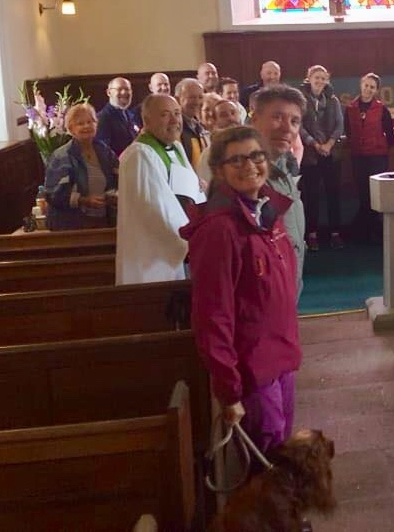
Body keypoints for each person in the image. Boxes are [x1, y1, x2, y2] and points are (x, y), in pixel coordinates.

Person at [182, 125, 302, 456]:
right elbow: (212, 316)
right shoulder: (220, 229)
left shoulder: (267, 213)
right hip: (251, 369)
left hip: (281, 357)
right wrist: (229, 390)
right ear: (219, 170)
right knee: (265, 464)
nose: (249, 165)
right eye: (236, 160)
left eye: (255, 155)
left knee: (280, 454)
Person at [115, 94, 195, 284]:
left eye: (177, 113)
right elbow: (157, 208)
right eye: (165, 115)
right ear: (146, 120)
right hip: (153, 258)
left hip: (180, 251)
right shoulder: (140, 154)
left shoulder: (175, 146)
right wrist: (192, 241)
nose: (175, 120)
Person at [249, 85, 308, 300]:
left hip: (288, 285)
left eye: (294, 121)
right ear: (254, 119)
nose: (287, 129)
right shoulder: (245, 175)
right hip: (262, 298)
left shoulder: (284, 168)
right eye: (277, 117)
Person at [44, 102, 119, 230]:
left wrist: (113, 196)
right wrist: (84, 200)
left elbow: (118, 177)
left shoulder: (104, 151)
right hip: (72, 225)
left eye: (90, 122)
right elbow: (52, 195)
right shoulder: (62, 156)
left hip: (103, 221)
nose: (87, 126)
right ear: (71, 128)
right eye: (80, 123)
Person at [344, 73, 394, 243]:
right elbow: (348, 132)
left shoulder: (382, 109)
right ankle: (368, 231)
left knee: (375, 195)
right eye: (366, 85)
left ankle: (370, 232)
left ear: (376, 90)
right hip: (358, 157)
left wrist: (380, 146)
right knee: (363, 195)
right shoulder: (350, 108)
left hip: (377, 157)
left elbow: (390, 135)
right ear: (361, 85)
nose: (368, 89)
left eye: (372, 87)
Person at [299, 65, 345, 250]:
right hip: (310, 155)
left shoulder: (333, 100)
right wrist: (314, 144)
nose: (319, 81)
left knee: (333, 194)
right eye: (316, 77)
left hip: (330, 153)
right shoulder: (301, 100)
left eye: (323, 78)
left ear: (327, 80)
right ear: (309, 78)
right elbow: (299, 126)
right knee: (312, 196)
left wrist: (329, 144)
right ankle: (312, 235)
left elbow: (339, 125)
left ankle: (335, 234)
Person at [197, 98, 244, 186]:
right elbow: (206, 185)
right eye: (223, 115)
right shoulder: (210, 153)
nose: (230, 118)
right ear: (215, 121)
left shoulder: (252, 145)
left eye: (233, 113)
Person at [95, 77, 140, 156]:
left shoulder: (131, 115)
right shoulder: (102, 118)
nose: (124, 92)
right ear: (109, 92)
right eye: (119, 89)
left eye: (127, 89)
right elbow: (103, 151)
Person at [175, 77, 207, 168]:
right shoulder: (174, 128)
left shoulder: (198, 126)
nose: (197, 102)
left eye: (200, 97)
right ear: (177, 99)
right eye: (192, 97)